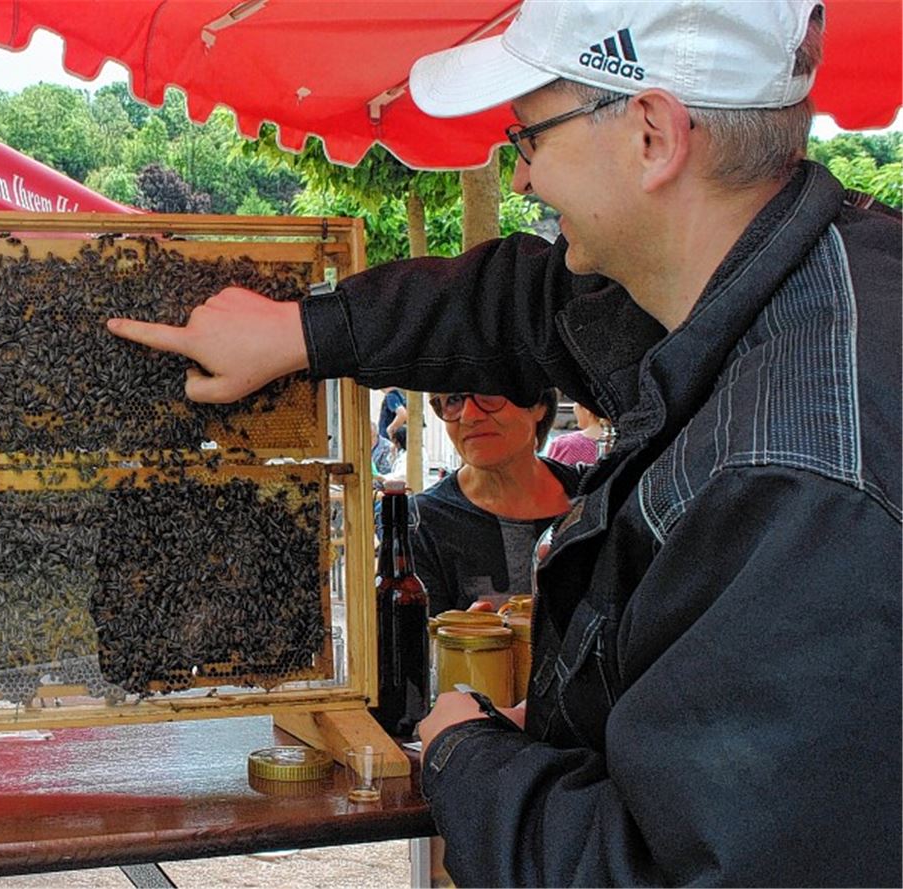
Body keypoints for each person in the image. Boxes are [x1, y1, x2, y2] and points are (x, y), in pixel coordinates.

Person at [105, 1, 901, 883]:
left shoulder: (805, 476)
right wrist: (300, 331)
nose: (521, 179)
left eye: (529, 137)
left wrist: (469, 756)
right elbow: (524, 303)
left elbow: (681, 870)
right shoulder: (803, 273)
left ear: (653, 135)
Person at [414, 389, 579, 615]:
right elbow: (413, 642)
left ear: (539, 404)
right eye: (453, 399)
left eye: (488, 393)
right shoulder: (420, 521)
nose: (469, 415)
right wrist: (453, 643)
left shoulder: (593, 494)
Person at [544, 401, 607, 466]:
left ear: (587, 409)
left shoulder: (564, 445)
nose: (574, 408)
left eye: (576, 402)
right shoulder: (615, 444)